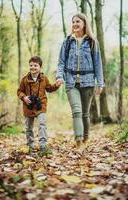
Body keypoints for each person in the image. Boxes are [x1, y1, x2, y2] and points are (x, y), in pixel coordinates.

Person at [56, 13, 104, 149]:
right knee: (76, 111)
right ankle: (78, 141)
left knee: (84, 113)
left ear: (84, 24)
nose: (75, 24)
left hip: (88, 82)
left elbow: (98, 64)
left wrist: (99, 83)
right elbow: (61, 62)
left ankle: (86, 138)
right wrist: (59, 76)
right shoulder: (67, 41)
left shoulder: (92, 42)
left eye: (78, 21)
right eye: (73, 22)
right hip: (71, 82)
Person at [17, 55, 59, 155]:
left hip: (41, 106)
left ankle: (43, 145)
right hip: (28, 106)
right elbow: (19, 91)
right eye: (31, 65)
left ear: (40, 67)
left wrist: (56, 85)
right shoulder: (24, 80)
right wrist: (24, 97)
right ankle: (30, 145)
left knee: (42, 124)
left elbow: (49, 88)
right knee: (28, 128)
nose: (33, 67)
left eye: (35, 65)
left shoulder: (44, 79)